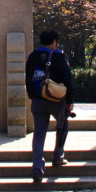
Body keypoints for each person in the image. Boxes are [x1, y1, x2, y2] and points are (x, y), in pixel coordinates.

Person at [24, 29, 74, 183]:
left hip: (38, 100)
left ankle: (37, 167)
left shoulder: (33, 56)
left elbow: (28, 78)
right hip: (57, 101)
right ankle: (58, 156)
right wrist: (70, 100)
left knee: (39, 134)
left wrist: (33, 96)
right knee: (62, 126)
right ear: (54, 42)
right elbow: (68, 80)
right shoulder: (59, 57)